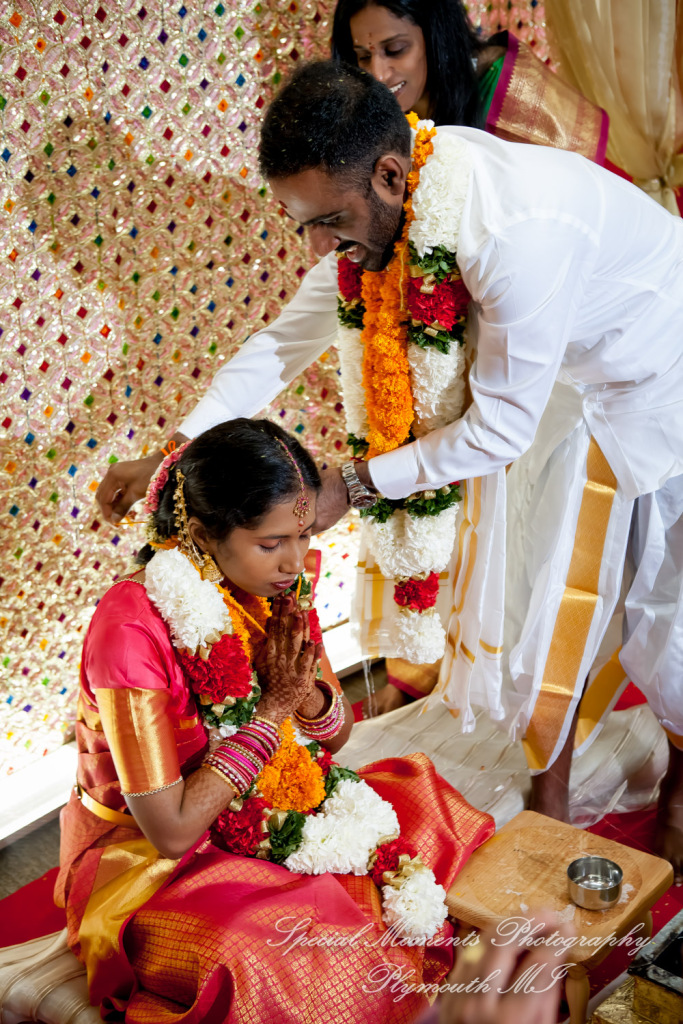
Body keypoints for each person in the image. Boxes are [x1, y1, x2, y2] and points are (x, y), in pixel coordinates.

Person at [95, 61, 683, 877]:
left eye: (328, 220)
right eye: (301, 222)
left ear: (390, 175)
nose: (316, 245)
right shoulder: (386, 213)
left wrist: (356, 483)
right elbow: (280, 342)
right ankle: (547, 785)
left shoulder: (510, 235)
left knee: (662, 619)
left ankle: (673, 776)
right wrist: (172, 450)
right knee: (532, 600)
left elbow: (501, 429)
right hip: (558, 381)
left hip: (657, 378)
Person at [57, 415, 499, 1021]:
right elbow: (173, 830)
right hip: (148, 860)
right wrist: (270, 714)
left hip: (273, 800)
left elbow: (336, 735)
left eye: (306, 537)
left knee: (430, 813)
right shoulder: (130, 628)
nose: (295, 562)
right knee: (283, 946)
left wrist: (306, 696)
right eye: (271, 544)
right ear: (203, 533)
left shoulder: (278, 588)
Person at [331, 0, 620, 715]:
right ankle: (431, 677)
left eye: (395, 49)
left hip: (554, 350)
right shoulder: (370, 141)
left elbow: (560, 233)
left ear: (435, 36)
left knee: (534, 552)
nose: (379, 74)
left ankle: (542, 730)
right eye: (361, 57)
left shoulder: (507, 108)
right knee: (440, 517)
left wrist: (358, 483)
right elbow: (321, 298)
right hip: (459, 357)